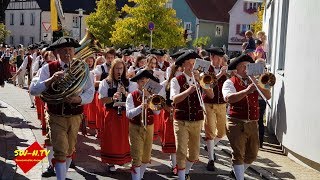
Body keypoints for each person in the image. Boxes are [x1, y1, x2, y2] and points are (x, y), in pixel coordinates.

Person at [29, 37, 94, 180]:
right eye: (64, 50)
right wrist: (51, 80)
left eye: (70, 50)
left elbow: (90, 91)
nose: (68, 53)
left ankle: (62, 175)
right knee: (60, 150)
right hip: (56, 114)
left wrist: (80, 99)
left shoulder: (82, 67)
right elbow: (33, 90)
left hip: (76, 114)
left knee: (70, 149)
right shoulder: (48, 68)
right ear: (57, 52)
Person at [222, 54, 271, 180]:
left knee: (253, 154)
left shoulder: (255, 80)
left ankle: (237, 172)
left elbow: (268, 96)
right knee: (238, 153)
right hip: (235, 122)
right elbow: (229, 98)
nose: (246, 69)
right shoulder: (229, 82)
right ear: (236, 69)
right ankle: (239, 177)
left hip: (252, 122)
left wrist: (257, 83)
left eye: (248, 66)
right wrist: (246, 91)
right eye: (243, 66)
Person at [170, 50, 214, 180]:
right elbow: (174, 99)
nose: (191, 67)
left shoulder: (201, 78)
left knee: (194, 154)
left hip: (196, 119)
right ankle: (182, 177)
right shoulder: (176, 80)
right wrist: (188, 91)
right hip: (181, 120)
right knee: (182, 150)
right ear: (183, 66)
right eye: (189, 64)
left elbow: (211, 95)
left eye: (193, 64)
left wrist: (202, 82)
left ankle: (186, 171)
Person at [99, 58, 136, 172]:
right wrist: (112, 98)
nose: (119, 71)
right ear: (112, 69)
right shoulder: (106, 82)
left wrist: (125, 92)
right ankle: (111, 162)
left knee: (124, 137)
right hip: (111, 113)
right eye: (116, 68)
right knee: (111, 137)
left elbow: (133, 98)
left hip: (124, 112)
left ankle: (123, 160)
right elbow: (101, 100)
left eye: (121, 68)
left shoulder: (129, 82)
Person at [126, 69, 160, 180]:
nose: (144, 84)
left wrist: (151, 103)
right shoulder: (132, 95)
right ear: (137, 83)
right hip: (135, 127)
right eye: (141, 81)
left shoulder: (154, 96)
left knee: (146, 156)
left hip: (149, 127)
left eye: (146, 81)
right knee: (136, 155)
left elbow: (157, 112)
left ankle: (140, 176)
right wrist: (141, 107)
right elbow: (129, 114)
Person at [203, 47, 228, 171]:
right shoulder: (206, 68)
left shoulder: (224, 68)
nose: (220, 61)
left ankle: (210, 146)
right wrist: (220, 74)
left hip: (222, 103)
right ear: (212, 57)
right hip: (209, 103)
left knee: (222, 132)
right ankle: (210, 159)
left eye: (221, 58)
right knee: (210, 131)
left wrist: (229, 74)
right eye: (218, 58)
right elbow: (208, 83)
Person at [159, 64, 183, 175]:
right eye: (177, 71)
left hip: (182, 114)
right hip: (169, 114)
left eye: (180, 71)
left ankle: (179, 164)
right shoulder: (165, 84)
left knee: (181, 141)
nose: (179, 73)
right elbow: (161, 101)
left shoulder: (185, 84)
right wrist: (169, 110)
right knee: (172, 140)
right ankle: (174, 165)